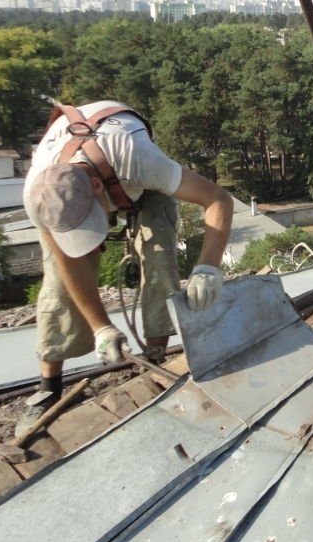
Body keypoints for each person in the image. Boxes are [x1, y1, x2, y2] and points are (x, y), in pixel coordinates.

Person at [18, 101, 234, 433]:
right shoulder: (38, 194)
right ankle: (48, 388)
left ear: (94, 184)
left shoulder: (138, 159)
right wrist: (101, 328)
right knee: (57, 286)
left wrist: (207, 268)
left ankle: (155, 360)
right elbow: (69, 267)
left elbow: (217, 199)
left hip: (134, 181)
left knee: (159, 258)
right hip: (83, 185)